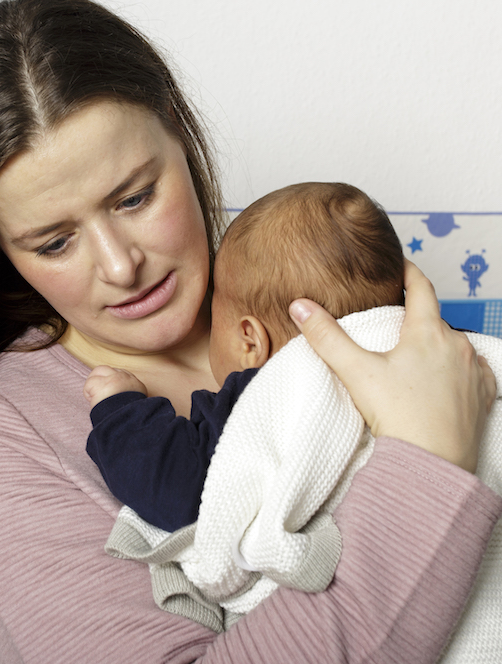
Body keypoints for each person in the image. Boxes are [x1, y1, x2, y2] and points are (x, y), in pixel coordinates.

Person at [0, 0, 499, 664]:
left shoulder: (314, 290)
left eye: (135, 197)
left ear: (179, 138)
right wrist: (428, 458)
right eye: (53, 243)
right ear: (0, 251)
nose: (121, 265)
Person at [83, 181, 405, 532]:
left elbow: (177, 494)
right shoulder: (420, 355)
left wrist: (122, 411)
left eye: (215, 300)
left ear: (250, 341)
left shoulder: (262, 399)